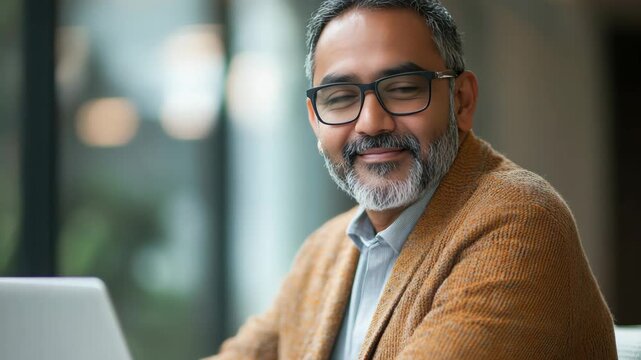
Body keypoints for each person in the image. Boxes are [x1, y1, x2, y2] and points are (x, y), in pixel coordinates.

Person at [209, 0, 617, 358]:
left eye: (403, 88)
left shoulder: (521, 221)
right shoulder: (323, 250)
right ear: (315, 120)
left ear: (461, 101)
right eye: (340, 97)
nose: (371, 123)